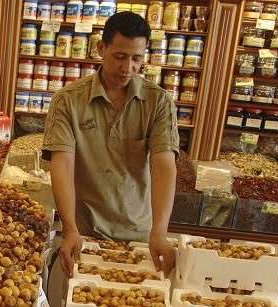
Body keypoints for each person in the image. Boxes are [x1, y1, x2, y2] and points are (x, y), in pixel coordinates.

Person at [42, 11, 178, 276]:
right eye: (120, 56)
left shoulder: (158, 102)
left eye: (137, 59)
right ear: (101, 49)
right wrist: (70, 229)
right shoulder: (68, 100)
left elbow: (164, 165)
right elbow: (62, 164)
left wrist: (159, 232)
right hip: (84, 234)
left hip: (139, 236)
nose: (128, 67)